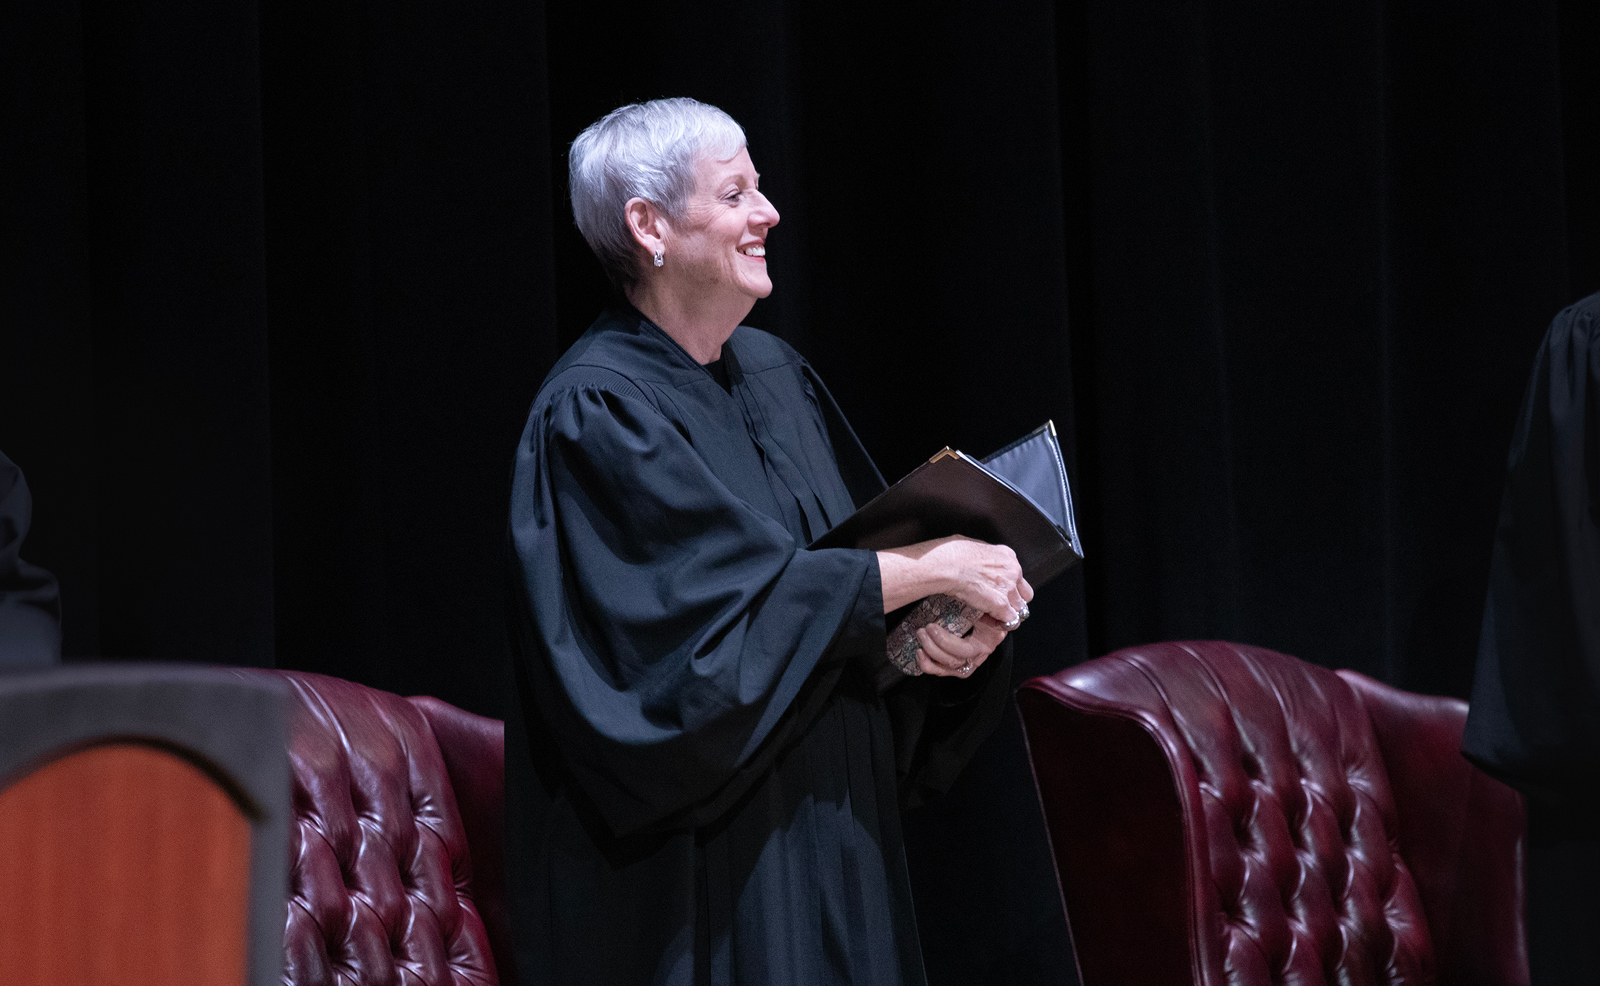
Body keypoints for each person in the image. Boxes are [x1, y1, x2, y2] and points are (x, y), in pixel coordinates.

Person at [505, 97, 1032, 986]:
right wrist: (911, 571)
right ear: (649, 226)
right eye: (736, 193)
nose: (770, 214)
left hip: (838, 842)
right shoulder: (598, 415)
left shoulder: (780, 378)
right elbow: (680, 673)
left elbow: (847, 617)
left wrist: (935, 633)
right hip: (700, 889)